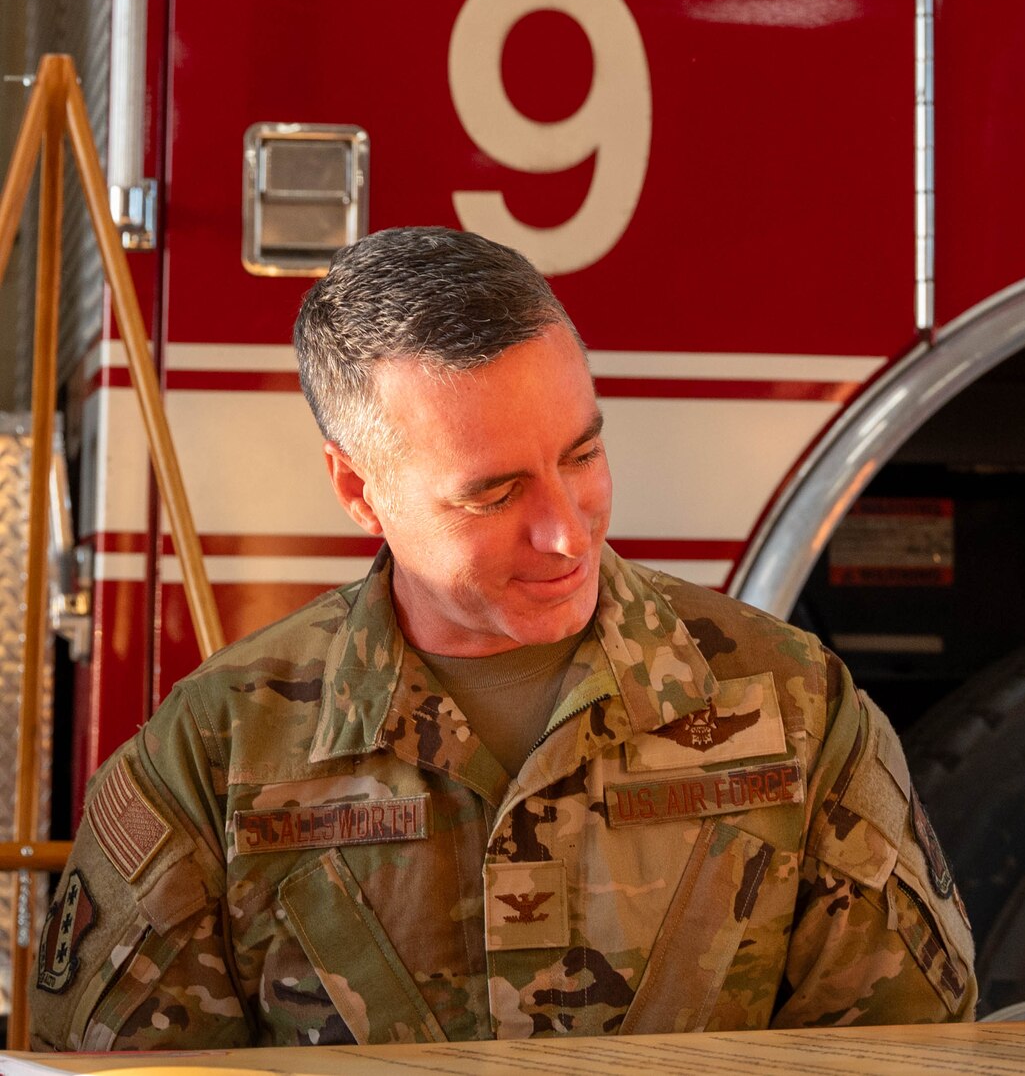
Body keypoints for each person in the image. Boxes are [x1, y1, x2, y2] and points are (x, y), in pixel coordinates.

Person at [29, 227, 975, 1050]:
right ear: (360, 490)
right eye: (493, 492)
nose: (567, 530)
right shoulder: (218, 751)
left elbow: (909, 1051)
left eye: (583, 454)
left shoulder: (793, 706)